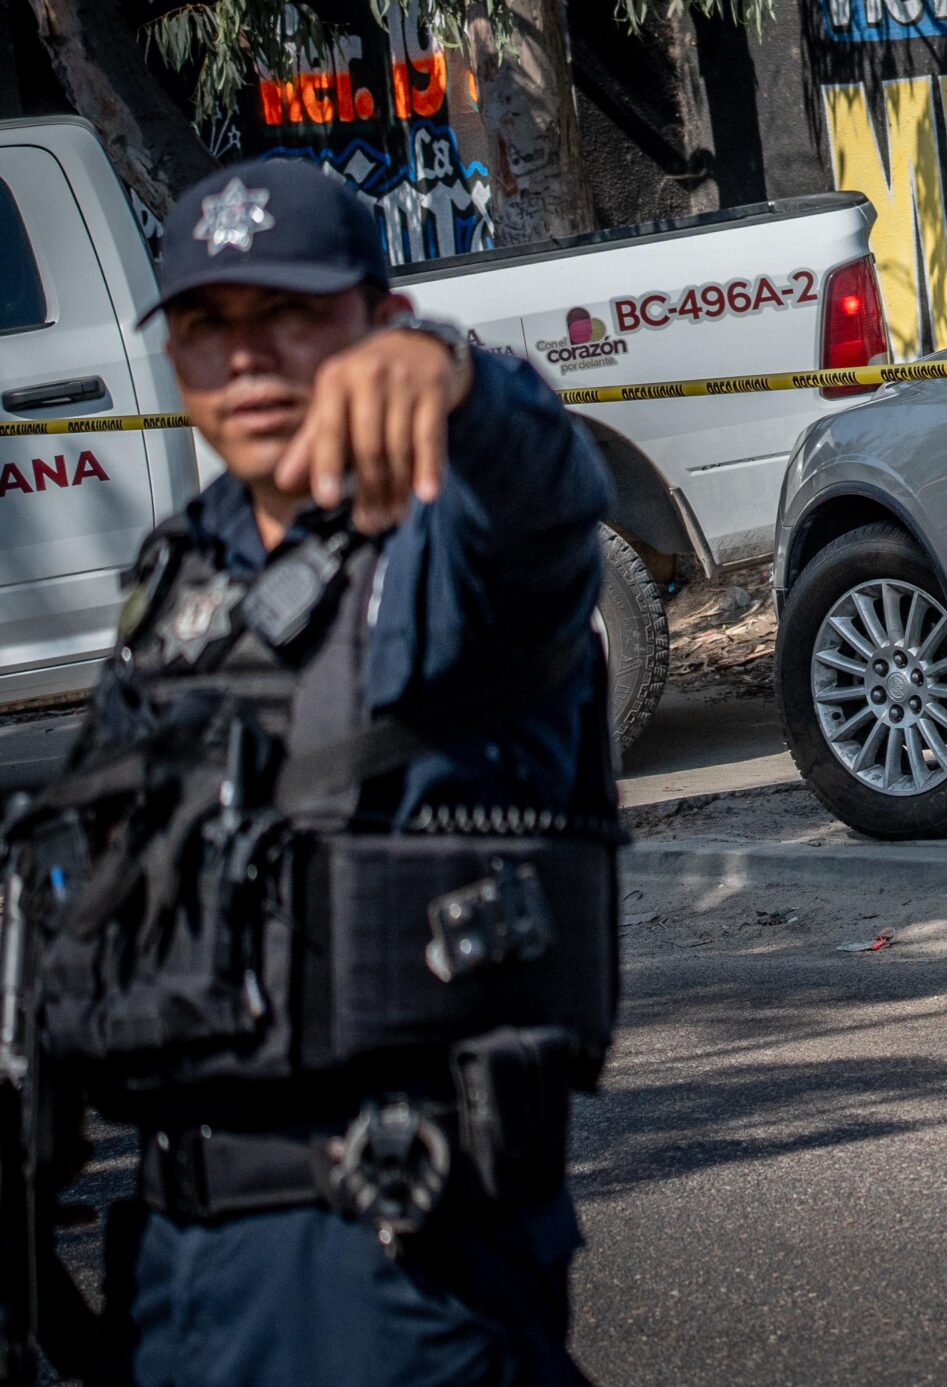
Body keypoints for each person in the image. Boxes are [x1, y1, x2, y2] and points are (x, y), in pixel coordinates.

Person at [37, 158, 616, 1386]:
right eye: (206, 325)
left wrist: (461, 379)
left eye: (290, 315)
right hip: (176, 1268)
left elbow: (552, 500)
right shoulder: (178, 576)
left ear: (380, 321)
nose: (244, 359)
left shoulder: (446, 544)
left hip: (392, 1261)